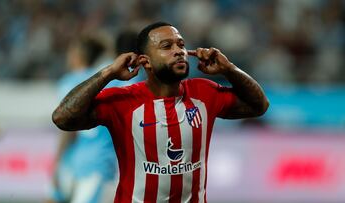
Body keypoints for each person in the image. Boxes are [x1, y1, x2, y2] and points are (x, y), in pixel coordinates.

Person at [52, 22, 269, 202]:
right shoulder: (123, 101)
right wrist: (108, 72)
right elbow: (62, 118)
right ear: (145, 60)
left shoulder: (205, 93)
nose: (178, 51)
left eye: (181, 45)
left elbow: (259, 106)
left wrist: (229, 69)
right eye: (166, 46)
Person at [49, 35, 118, 203]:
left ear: (78, 54)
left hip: (79, 162)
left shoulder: (70, 82)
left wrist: (56, 162)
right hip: (100, 161)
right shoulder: (107, 81)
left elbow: (68, 130)